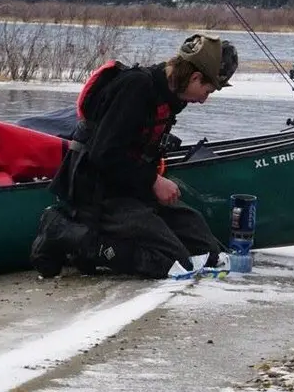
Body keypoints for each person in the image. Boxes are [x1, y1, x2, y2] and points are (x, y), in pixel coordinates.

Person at [29, 33, 239, 279]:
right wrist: (153, 181)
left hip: (131, 188)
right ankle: (63, 233)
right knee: (173, 263)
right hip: (96, 190)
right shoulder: (137, 87)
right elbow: (103, 154)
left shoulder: (172, 95)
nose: (204, 99)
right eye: (207, 90)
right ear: (194, 77)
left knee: (208, 251)